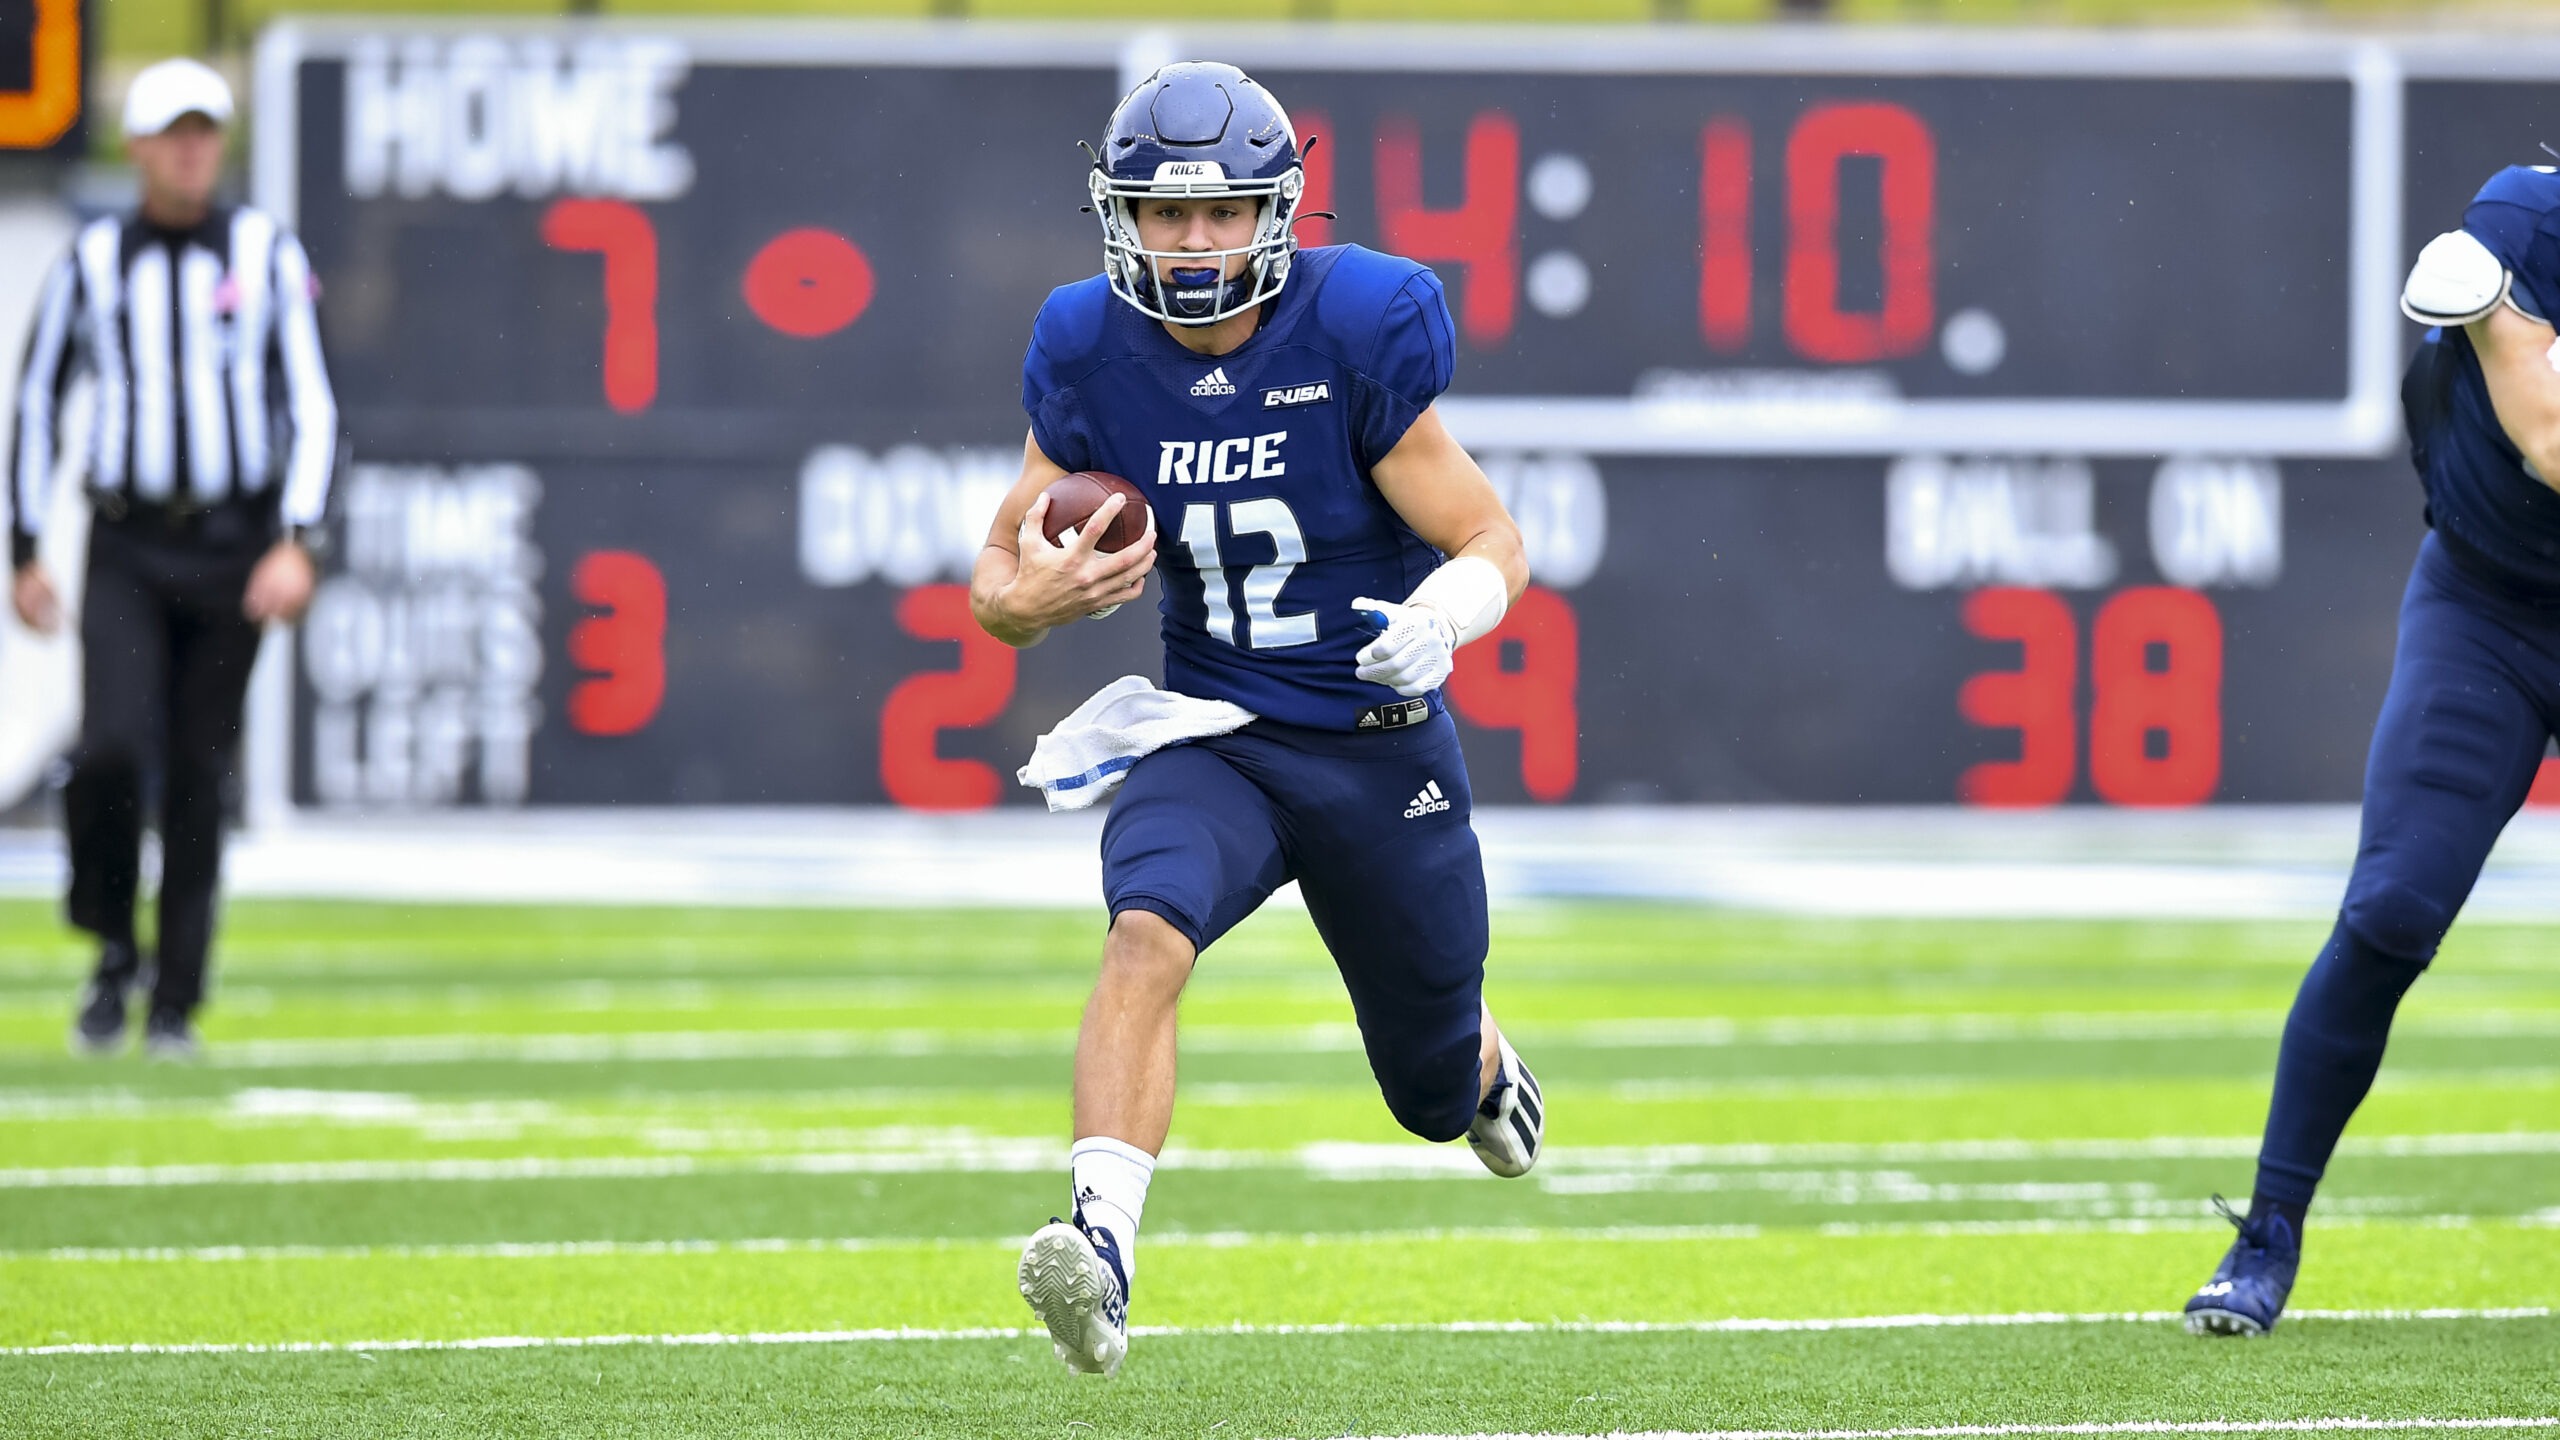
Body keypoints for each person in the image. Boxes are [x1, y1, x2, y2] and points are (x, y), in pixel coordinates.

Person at [971, 62, 1542, 1377]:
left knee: (1426, 1086)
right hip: (1213, 729)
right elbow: (994, 591)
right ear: (1122, 218)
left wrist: (1443, 617)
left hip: (1375, 745)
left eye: (1219, 213)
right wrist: (1039, 602)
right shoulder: (1088, 346)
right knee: (1141, 940)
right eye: (1164, 217)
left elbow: (1493, 537)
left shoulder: (1354, 324)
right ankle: (1100, 1251)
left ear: (1275, 213)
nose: (1190, 243)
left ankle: (1484, 1063)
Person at [2183, 161, 2560, 1335]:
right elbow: (2551, 442)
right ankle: (2270, 1229)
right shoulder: (2524, 223)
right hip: (2493, 614)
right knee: (2393, 907)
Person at [7, 57, 338, 1060]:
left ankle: (176, 998)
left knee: (200, 771)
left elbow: (313, 404)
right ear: (141, 147)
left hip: (234, 545)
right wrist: (25, 547)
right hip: (129, 542)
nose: (193, 150)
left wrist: (297, 538)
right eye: (175, 132)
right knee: (109, 745)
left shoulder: (266, 254)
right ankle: (111, 946)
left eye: (207, 132)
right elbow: (34, 405)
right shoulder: (94, 263)